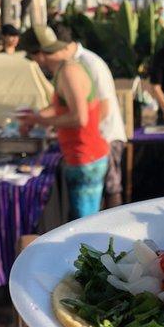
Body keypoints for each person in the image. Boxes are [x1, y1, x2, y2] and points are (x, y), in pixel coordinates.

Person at [18, 25, 109, 219]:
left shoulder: (69, 72)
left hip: (86, 156)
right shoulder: (65, 69)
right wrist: (36, 117)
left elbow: (79, 118)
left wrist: (38, 119)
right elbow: (63, 107)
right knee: (84, 221)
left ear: (40, 54)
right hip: (83, 156)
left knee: (85, 225)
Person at [52, 23, 127, 208]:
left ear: (63, 46)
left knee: (112, 188)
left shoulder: (88, 63)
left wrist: (88, 133)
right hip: (97, 137)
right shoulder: (73, 64)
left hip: (107, 135)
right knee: (100, 193)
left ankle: (117, 230)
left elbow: (105, 105)